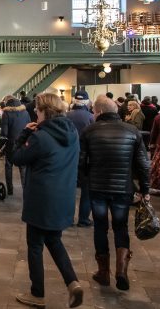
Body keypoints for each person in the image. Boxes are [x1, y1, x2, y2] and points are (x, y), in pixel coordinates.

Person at [12, 93, 83, 309]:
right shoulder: (72, 132)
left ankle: (38, 294)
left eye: (37, 110)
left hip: (41, 198)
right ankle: (73, 283)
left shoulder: (41, 137)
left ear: (44, 111)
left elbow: (16, 158)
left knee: (35, 245)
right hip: (63, 196)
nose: (35, 113)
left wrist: (24, 133)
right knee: (54, 240)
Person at [80, 95, 150, 292]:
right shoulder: (132, 131)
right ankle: (121, 271)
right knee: (121, 227)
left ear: (99, 112)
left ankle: (103, 272)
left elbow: (81, 162)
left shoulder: (89, 131)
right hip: (122, 188)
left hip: (97, 187)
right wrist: (145, 189)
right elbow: (143, 164)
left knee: (100, 227)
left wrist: (86, 181)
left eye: (94, 111)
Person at [66, 92, 94, 227]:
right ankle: (83, 218)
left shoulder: (66, 116)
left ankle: (68, 218)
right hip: (86, 157)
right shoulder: (90, 117)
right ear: (87, 102)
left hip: (68, 156)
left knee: (69, 188)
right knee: (86, 190)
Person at [0, 95, 30, 195]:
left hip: (11, 143)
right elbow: (29, 126)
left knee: (8, 165)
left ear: (7, 102)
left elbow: (4, 132)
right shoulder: (25, 112)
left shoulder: (6, 113)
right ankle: (25, 190)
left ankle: (10, 190)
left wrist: (1, 144)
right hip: (23, 143)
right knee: (23, 167)